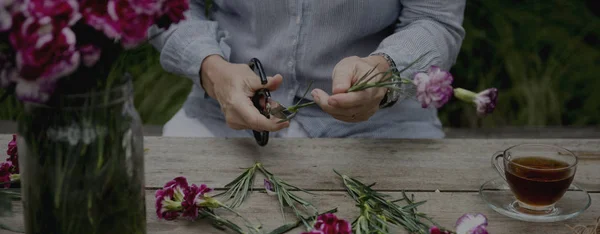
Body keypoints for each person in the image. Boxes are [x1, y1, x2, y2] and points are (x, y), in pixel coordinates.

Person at [150, 1, 466, 138]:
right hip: (221, 120)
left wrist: (384, 70)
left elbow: (435, 20)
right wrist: (212, 70)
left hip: (382, 130)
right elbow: (163, 7)